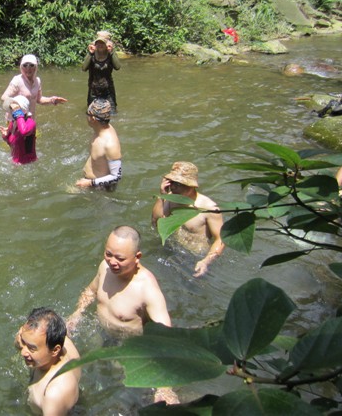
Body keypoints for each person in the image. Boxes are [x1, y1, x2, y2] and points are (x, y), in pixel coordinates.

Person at [66, 226, 178, 405]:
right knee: (85, 375)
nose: (112, 262)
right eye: (108, 254)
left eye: (120, 258)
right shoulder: (105, 268)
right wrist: (77, 313)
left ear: (137, 257)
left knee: (122, 393)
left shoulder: (146, 289)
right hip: (100, 332)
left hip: (129, 348)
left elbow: (165, 337)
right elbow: (91, 291)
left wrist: (165, 387)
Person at [151, 162, 225, 277]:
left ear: (192, 186)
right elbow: (156, 222)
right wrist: (162, 195)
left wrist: (206, 262)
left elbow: (220, 239)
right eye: (172, 182)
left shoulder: (209, 208)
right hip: (172, 249)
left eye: (179, 184)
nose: (173, 187)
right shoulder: (171, 198)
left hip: (195, 257)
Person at [16, 307, 81, 416]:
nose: (23, 352)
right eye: (23, 341)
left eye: (31, 348)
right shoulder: (61, 341)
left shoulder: (54, 394)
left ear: (55, 350)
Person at [75, 99, 121, 191]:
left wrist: (89, 183)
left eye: (87, 114)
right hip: (89, 183)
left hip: (99, 189)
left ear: (93, 118)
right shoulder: (100, 130)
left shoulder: (110, 144)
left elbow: (116, 177)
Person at [0, 54, 67, 119]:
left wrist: (52, 100)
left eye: (31, 65)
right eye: (25, 65)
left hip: (30, 119)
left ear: (36, 67)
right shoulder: (17, 80)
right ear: (21, 67)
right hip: (15, 120)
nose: (28, 68)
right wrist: (15, 105)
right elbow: (4, 97)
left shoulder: (37, 81)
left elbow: (39, 99)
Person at [82, 33, 121, 110]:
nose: (100, 45)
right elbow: (84, 68)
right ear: (95, 44)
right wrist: (90, 53)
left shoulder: (111, 54)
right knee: (91, 115)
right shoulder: (92, 54)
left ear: (107, 45)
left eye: (102, 43)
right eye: (98, 43)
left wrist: (112, 52)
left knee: (112, 114)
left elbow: (117, 67)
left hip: (108, 91)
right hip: (93, 91)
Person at [0, 95, 37, 164]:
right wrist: (6, 137)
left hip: (28, 165)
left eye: (13, 109)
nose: (11, 111)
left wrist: (17, 112)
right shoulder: (13, 123)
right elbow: (13, 145)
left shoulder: (31, 123)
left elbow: (24, 131)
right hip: (15, 163)